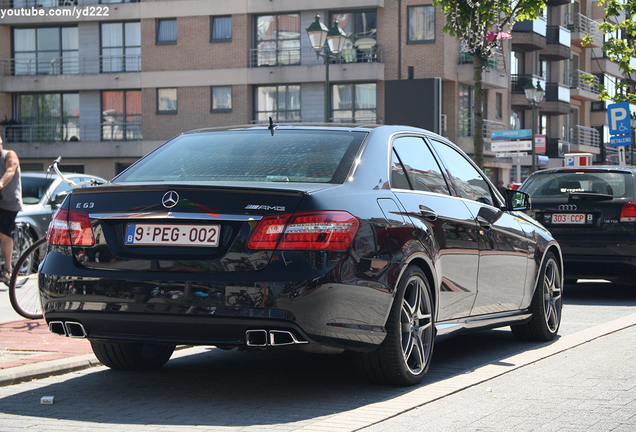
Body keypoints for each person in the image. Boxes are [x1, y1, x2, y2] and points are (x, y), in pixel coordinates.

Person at [0, 135, 23, 283]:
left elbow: (10, 170)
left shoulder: (9, 155)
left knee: (3, 233)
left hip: (9, 203)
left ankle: (8, 269)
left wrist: (0, 183)